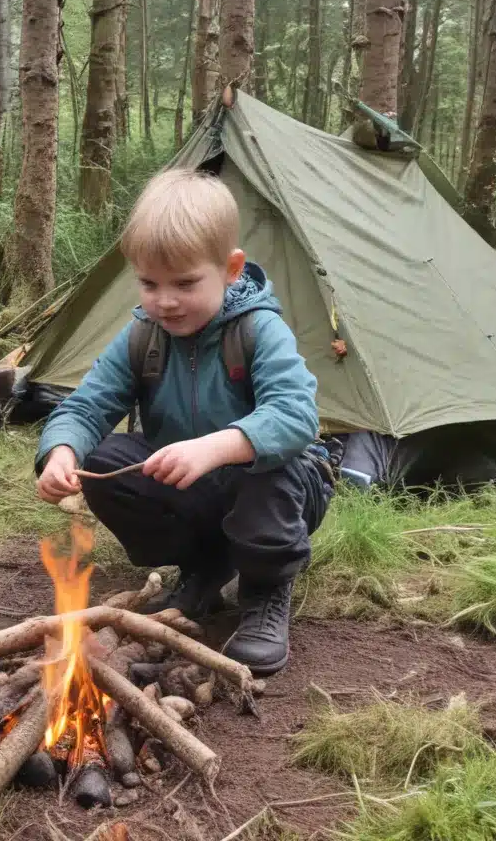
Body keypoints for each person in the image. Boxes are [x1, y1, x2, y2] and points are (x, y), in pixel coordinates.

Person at [34, 169, 333, 674]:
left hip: (282, 490)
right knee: (106, 461)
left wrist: (219, 446)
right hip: (192, 487)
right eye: (149, 283)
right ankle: (205, 567)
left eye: (186, 283)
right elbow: (86, 407)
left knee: (267, 469)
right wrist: (62, 449)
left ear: (231, 269)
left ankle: (264, 590)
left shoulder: (259, 329)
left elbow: (296, 414)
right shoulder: (142, 337)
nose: (165, 300)